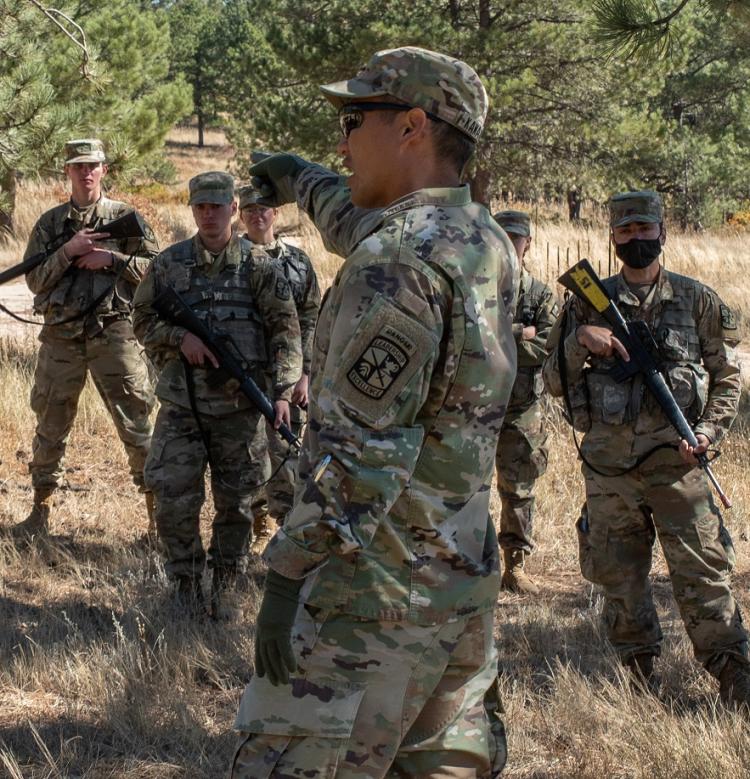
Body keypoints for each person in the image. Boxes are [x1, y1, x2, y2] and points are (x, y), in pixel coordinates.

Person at [230, 46, 518, 778]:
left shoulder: (398, 263)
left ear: (413, 126)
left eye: (354, 119)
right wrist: (301, 178)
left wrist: (289, 574)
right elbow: (357, 221)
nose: (343, 139)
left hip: (371, 600)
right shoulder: (479, 238)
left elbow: (359, 454)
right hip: (456, 588)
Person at [543, 190, 750, 707]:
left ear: (662, 232)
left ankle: (734, 674)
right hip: (610, 470)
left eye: (644, 229)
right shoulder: (585, 302)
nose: (636, 239)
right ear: (612, 238)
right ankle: (638, 674)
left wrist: (709, 433)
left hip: (678, 463)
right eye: (625, 231)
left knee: (703, 571)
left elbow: (728, 377)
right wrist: (578, 340)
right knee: (619, 575)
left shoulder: (695, 299)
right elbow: (552, 381)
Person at [131, 171, 302, 617]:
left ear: (233, 209)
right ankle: (186, 585)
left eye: (217, 206)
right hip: (182, 407)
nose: (209, 215)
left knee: (239, 504)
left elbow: (287, 330)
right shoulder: (168, 265)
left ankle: (225, 584)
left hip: (240, 409)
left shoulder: (260, 267)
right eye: (200, 207)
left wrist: (283, 391)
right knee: (172, 496)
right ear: (193, 210)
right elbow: (141, 319)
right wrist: (177, 338)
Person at [8, 138, 158, 540]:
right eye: (77, 166)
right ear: (67, 172)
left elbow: (160, 275)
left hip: (115, 334)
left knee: (137, 424)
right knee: (50, 424)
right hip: (60, 337)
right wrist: (68, 252)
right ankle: (40, 512)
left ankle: (157, 519)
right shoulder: (50, 224)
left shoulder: (127, 218)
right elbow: (36, 281)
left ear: (104, 170)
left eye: (92, 165)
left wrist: (114, 259)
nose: (85, 173)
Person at [237, 185, 321, 543]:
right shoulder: (232, 258)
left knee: (286, 450)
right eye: (251, 209)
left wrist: (304, 374)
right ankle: (258, 521)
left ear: (277, 214)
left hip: (287, 374)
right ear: (240, 214)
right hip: (243, 375)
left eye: (265, 209)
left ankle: (286, 525)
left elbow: (312, 317)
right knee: (248, 451)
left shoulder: (298, 262)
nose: (259, 215)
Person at [493, 210, 557, 595]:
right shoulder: (475, 289)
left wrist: (500, 337)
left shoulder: (540, 295)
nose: (508, 243)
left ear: (527, 243)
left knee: (518, 490)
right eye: (501, 235)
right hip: (473, 409)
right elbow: (465, 340)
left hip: (521, 409)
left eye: (515, 237)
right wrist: (518, 330)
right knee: (464, 490)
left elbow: (547, 348)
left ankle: (514, 567)